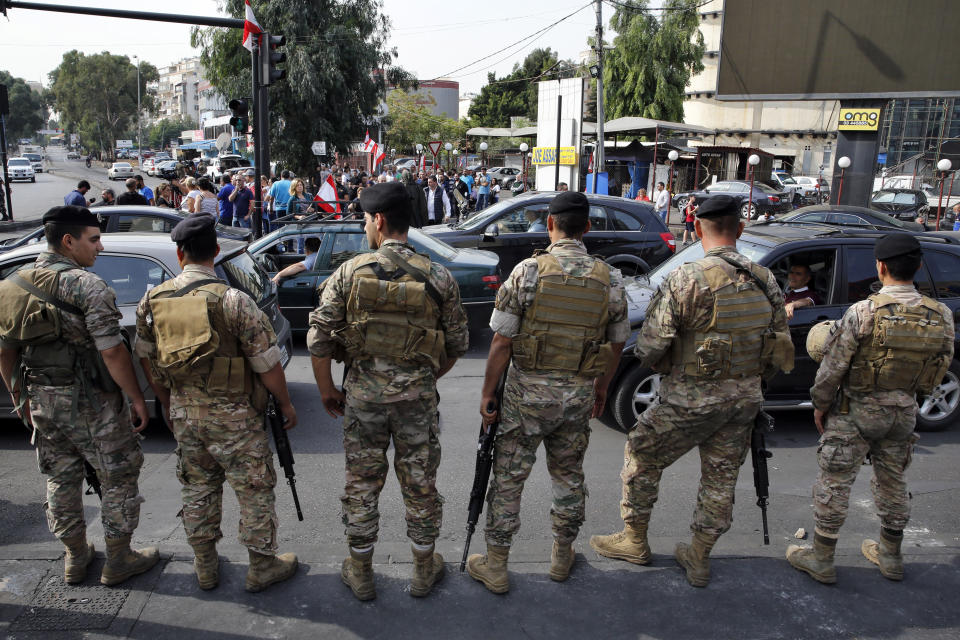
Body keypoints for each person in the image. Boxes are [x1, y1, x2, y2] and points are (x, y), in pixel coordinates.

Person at [589, 194, 793, 588]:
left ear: (698, 229)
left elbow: (648, 349)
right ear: (741, 229)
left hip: (690, 400)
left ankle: (634, 540)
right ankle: (699, 556)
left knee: (642, 453)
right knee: (719, 479)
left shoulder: (687, 277)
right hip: (743, 401)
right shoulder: (765, 281)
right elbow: (778, 347)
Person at [307, 182, 469, 601]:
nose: (364, 227)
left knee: (361, 484)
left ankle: (360, 572)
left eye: (364, 219)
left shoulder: (349, 272)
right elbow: (457, 346)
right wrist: (425, 379)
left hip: (363, 401)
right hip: (416, 402)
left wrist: (327, 390)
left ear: (379, 222)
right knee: (420, 483)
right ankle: (421, 571)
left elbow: (319, 339)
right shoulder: (437, 276)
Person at [466, 191, 628, 593]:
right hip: (576, 397)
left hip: (525, 398)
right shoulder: (609, 278)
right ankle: (561, 556)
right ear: (587, 228)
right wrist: (602, 388)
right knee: (569, 477)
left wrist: (488, 394)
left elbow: (502, 342)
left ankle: (498, 565)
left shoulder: (527, 272)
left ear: (550, 225)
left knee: (507, 478)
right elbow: (617, 343)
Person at [134, 214, 299, 593]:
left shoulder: (153, 300)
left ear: (179, 254)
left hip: (186, 415)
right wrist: (285, 404)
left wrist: (167, 401)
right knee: (253, 489)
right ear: (216, 252)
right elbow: (267, 363)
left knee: (198, 488)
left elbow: (146, 356)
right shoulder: (232, 300)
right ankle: (261, 566)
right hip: (237, 418)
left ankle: (205, 567)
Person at [0, 205, 158, 587]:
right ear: (68, 242)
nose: (100, 248)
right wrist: (137, 397)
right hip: (94, 404)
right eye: (94, 239)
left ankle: (75, 555)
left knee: (60, 478)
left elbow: (5, 354)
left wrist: (20, 398)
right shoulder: (88, 286)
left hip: (43, 401)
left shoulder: (10, 286)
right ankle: (119, 558)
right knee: (118, 477)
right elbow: (112, 351)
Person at [787, 233, 953, 585]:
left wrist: (820, 404)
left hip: (855, 412)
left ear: (880, 267)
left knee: (835, 483)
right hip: (903, 411)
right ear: (918, 267)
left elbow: (833, 366)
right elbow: (941, 365)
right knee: (893, 482)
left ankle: (822, 557)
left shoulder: (863, 312)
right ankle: (891, 556)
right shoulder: (941, 316)